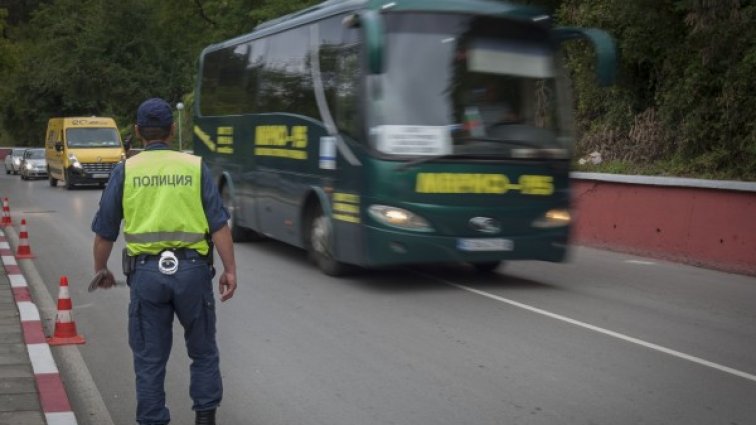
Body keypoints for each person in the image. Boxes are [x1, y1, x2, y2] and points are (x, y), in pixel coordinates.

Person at [91, 97, 237, 425]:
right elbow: (218, 225)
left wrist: (101, 269)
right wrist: (230, 269)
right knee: (203, 352)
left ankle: (153, 420)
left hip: (146, 275)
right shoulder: (194, 167)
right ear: (172, 130)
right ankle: (205, 418)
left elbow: (105, 232)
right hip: (192, 273)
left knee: (149, 360)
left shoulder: (125, 170)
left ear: (138, 131)